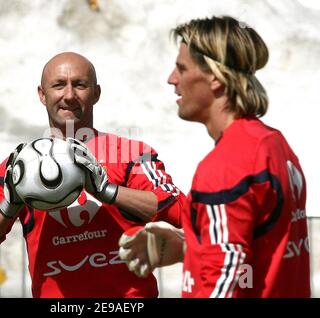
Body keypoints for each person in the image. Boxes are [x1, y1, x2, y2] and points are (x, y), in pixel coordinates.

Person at [0, 52, 185, 297]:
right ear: (42, 94)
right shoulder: (18, 167)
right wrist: (10, 205)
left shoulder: (130, 154)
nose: (69, 95)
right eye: (58, 85)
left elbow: (182, 212)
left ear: (96, 93)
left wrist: (109, 191)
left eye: (80, 84)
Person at [119, 16, 310, 298]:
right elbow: (255, 247)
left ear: (216, 78)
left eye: (182, 68)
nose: (172, 79)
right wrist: (188, 245)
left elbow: (222, 280)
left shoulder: (226, 166)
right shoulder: (273, 143)